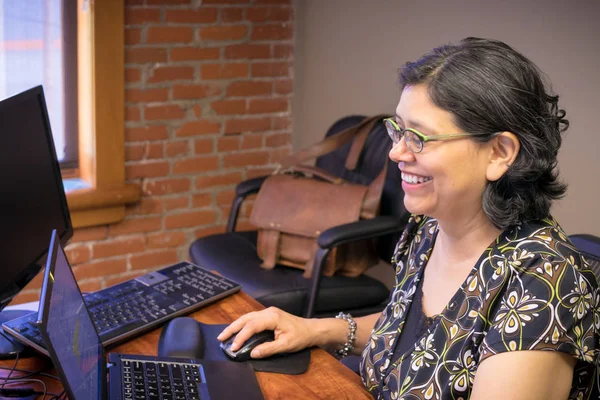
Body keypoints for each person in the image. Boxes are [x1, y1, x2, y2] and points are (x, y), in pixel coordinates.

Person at [217, 37, 600, 399]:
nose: (397, 153)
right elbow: (414, 335)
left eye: (419, 137)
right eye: (397, 129)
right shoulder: (429, 227)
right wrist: (313, 328)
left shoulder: (542, 284)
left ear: (499, 152)